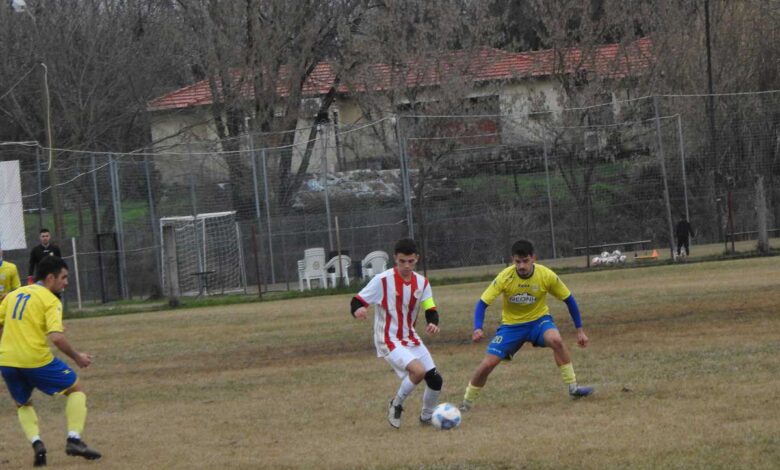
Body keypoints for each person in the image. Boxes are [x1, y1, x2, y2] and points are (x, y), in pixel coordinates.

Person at [460, 239, 593, 412]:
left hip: (539, 322)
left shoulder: (546, 275)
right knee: (487, 364)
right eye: (517, 261)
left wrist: (580, 331)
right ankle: (466, 403)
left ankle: (573, 388)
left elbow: (569, 299)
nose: (521, 265)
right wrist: (478, 327)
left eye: (525, 261)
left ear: (533, 259)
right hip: (511, 327)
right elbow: (482, 303)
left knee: (556, 340)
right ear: (512, 260)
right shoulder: (505, 277)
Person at [0, 256, 101, 466]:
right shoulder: (50, 300)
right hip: (35, 359)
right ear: (50, 277)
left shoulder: (14, 294)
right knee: (76, 389)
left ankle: (37, 443)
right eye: (63, 277)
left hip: (7, 360)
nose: (66, 282)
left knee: (22, 403)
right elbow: (56, 337)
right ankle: (74, 439)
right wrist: (77, 357)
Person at [350, 238, 444, 428]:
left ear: (416, 258)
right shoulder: (382, 281)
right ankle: (396, 404)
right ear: (395, 259)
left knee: (435, 379)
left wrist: (433, 323)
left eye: (410, 261)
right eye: (402, 261)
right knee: (418, 371)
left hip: (409, 336)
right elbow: (357, 300)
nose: (406, 266)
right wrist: (357, 310)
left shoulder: (422, 283)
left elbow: (430, 307)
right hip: (388, 338)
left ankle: (426, 417)